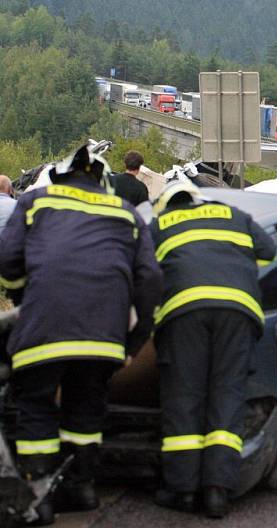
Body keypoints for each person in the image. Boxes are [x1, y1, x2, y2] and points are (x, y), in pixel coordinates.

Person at [0, 144, 162, 525]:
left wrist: (26, 296)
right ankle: (83, 488)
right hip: (103, 337)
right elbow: (151, 280)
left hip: (44, 329)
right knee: (85, 409)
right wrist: (134, 342)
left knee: (36, 407)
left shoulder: (36, 201)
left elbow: (7, 265)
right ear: (103, 182)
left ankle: (38, 499)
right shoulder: (124, 213)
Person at [149, 181, 276, 519]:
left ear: (166, 206)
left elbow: (142, 272)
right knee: (227, 395)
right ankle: (218, 492)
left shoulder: (160, 224)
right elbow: (270, 250)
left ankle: (182, 490)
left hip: (184, 312)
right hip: (238, 312)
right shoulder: (234, 215)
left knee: (184, 396)